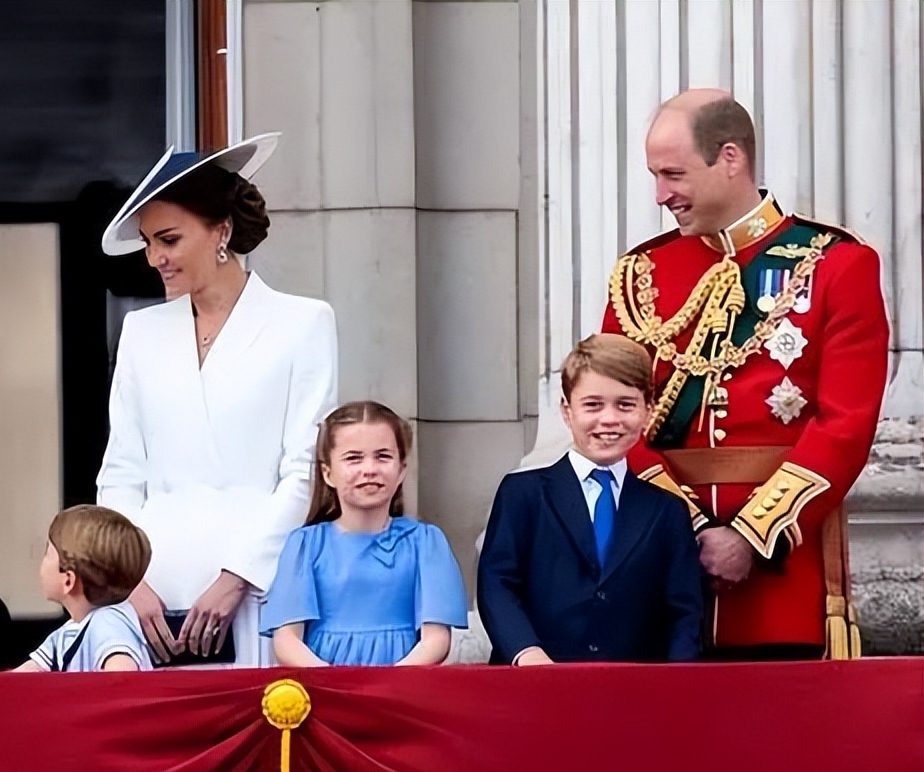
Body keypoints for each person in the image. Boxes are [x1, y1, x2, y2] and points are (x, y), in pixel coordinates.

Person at [601, 89, 890, 659]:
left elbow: (845, 426)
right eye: (655, 176)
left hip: (781, 574)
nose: (661, 195)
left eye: (673, 174)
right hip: (661, 568)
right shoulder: (640, 274)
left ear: (730, 158)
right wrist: (689, 530)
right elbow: (611, 415)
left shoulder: (836, 265)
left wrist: (750, 536)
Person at [96, 133, 339, 668]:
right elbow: (120, 472)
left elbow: (304, 470)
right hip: (148, 601)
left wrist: (239, 577)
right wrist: (129, 580)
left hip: (259, 591)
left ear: (221, 231)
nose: (155, 257)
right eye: (147, 243)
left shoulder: (303, 324)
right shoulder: (141, 331)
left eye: (169, 239)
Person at [478, 334, 704, 665]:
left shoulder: (666, 510)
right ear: (567, 412)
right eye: (593, 405)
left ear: (647, 411)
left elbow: (683, 613)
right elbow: (496, 585)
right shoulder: (522, 494)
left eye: (625, 404)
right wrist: (526, 654)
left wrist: (672, 688)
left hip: (632, 697)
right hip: (532, 686)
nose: (609, 419)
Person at [261, 401, 468, 667]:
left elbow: (436, 639)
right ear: (328, 473)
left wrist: (384, 685)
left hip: (402, 689)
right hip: (324, 691)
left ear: (402, 469)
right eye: (353, 458)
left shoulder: (427, 543)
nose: (369, 469)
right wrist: (340, 686)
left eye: (383, 456)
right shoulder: (305, 546)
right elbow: (288, 640)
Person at [15, 505, 152, 673]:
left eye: (47, 553)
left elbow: (122, 675)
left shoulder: (109, 622)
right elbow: (24, 675)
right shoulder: (67, 633)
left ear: (68, 581)